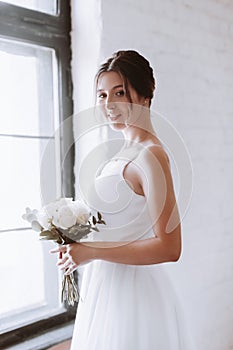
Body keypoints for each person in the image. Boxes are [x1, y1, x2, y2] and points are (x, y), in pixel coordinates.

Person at [51, 50, 195, 349]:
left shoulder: (151, 155)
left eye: (120, 92)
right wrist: (77, 240)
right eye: (102, 95)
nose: (109, 104)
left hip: (133, 295)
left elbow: (170, 247)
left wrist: (91, 251)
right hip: (105, 285)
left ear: (145, 95)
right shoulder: (122, 152)